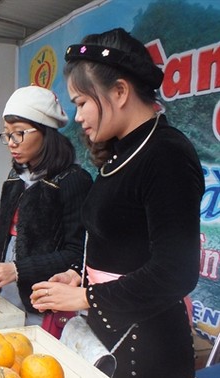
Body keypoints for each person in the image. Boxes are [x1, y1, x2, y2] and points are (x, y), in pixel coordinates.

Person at [30, 28, 204, 378]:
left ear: (120, 91)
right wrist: (80, 277)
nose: (77, 117)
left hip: (149, 352)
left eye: (81, 103)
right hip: (111, 340)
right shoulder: (122, 154)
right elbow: (122, 244)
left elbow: (176, 271)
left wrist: (87, 299)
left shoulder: (166, 154)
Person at [0, 85, 93, 326]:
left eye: (18, 133)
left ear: (46, 132)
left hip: (45, 303)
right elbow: (5, 236)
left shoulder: (72, 181)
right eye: (6, 134)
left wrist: (18, 269)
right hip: (5, 295)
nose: (11, 143)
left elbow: (77, 253)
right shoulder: (14, 178)